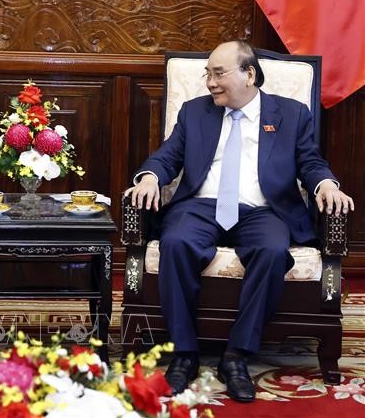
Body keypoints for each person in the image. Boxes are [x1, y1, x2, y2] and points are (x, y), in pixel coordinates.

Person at [126, 41, 354, 403]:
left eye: (219, 73)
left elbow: (310, 162)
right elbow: (166, 157)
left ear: (249, 74)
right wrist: (150, 177)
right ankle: (184, 353)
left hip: (262, 209)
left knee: (272, 250)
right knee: (177, 242)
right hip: (201, 206)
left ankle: (236, 355)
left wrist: (326, 184)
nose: (210, 82)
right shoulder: (194, 112)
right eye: (208, 74)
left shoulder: (291, 114)